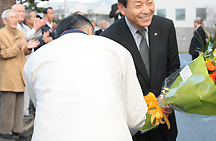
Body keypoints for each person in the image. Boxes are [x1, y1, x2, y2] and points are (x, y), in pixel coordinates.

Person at [23, 14, 147, 141]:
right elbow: (135, 115)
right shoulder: (115, 49)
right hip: (108, 134)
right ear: (90, 31)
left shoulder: (36, 57)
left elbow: (37, 101)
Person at [101, 0, 180, 141]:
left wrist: (170, 101)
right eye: (138, 5)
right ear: (121, 8)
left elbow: (173, 69)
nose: (146, 10)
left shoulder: (165, 27)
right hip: (130, 130)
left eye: (150, 3)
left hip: (164, 125)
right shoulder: (108, 39)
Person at [0, 10, 39, 139]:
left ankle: (17, 128)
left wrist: (28, 47)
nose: (15, 19)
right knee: (8, 105)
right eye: (11, 17)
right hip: (8, 74)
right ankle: (5, 130)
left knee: (19, 104)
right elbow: (3, 54)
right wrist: (18, 47)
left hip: (20, 73)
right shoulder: (1, 34)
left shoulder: (21, 33)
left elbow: (24, 52)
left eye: (15, 17)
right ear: (4, 21)